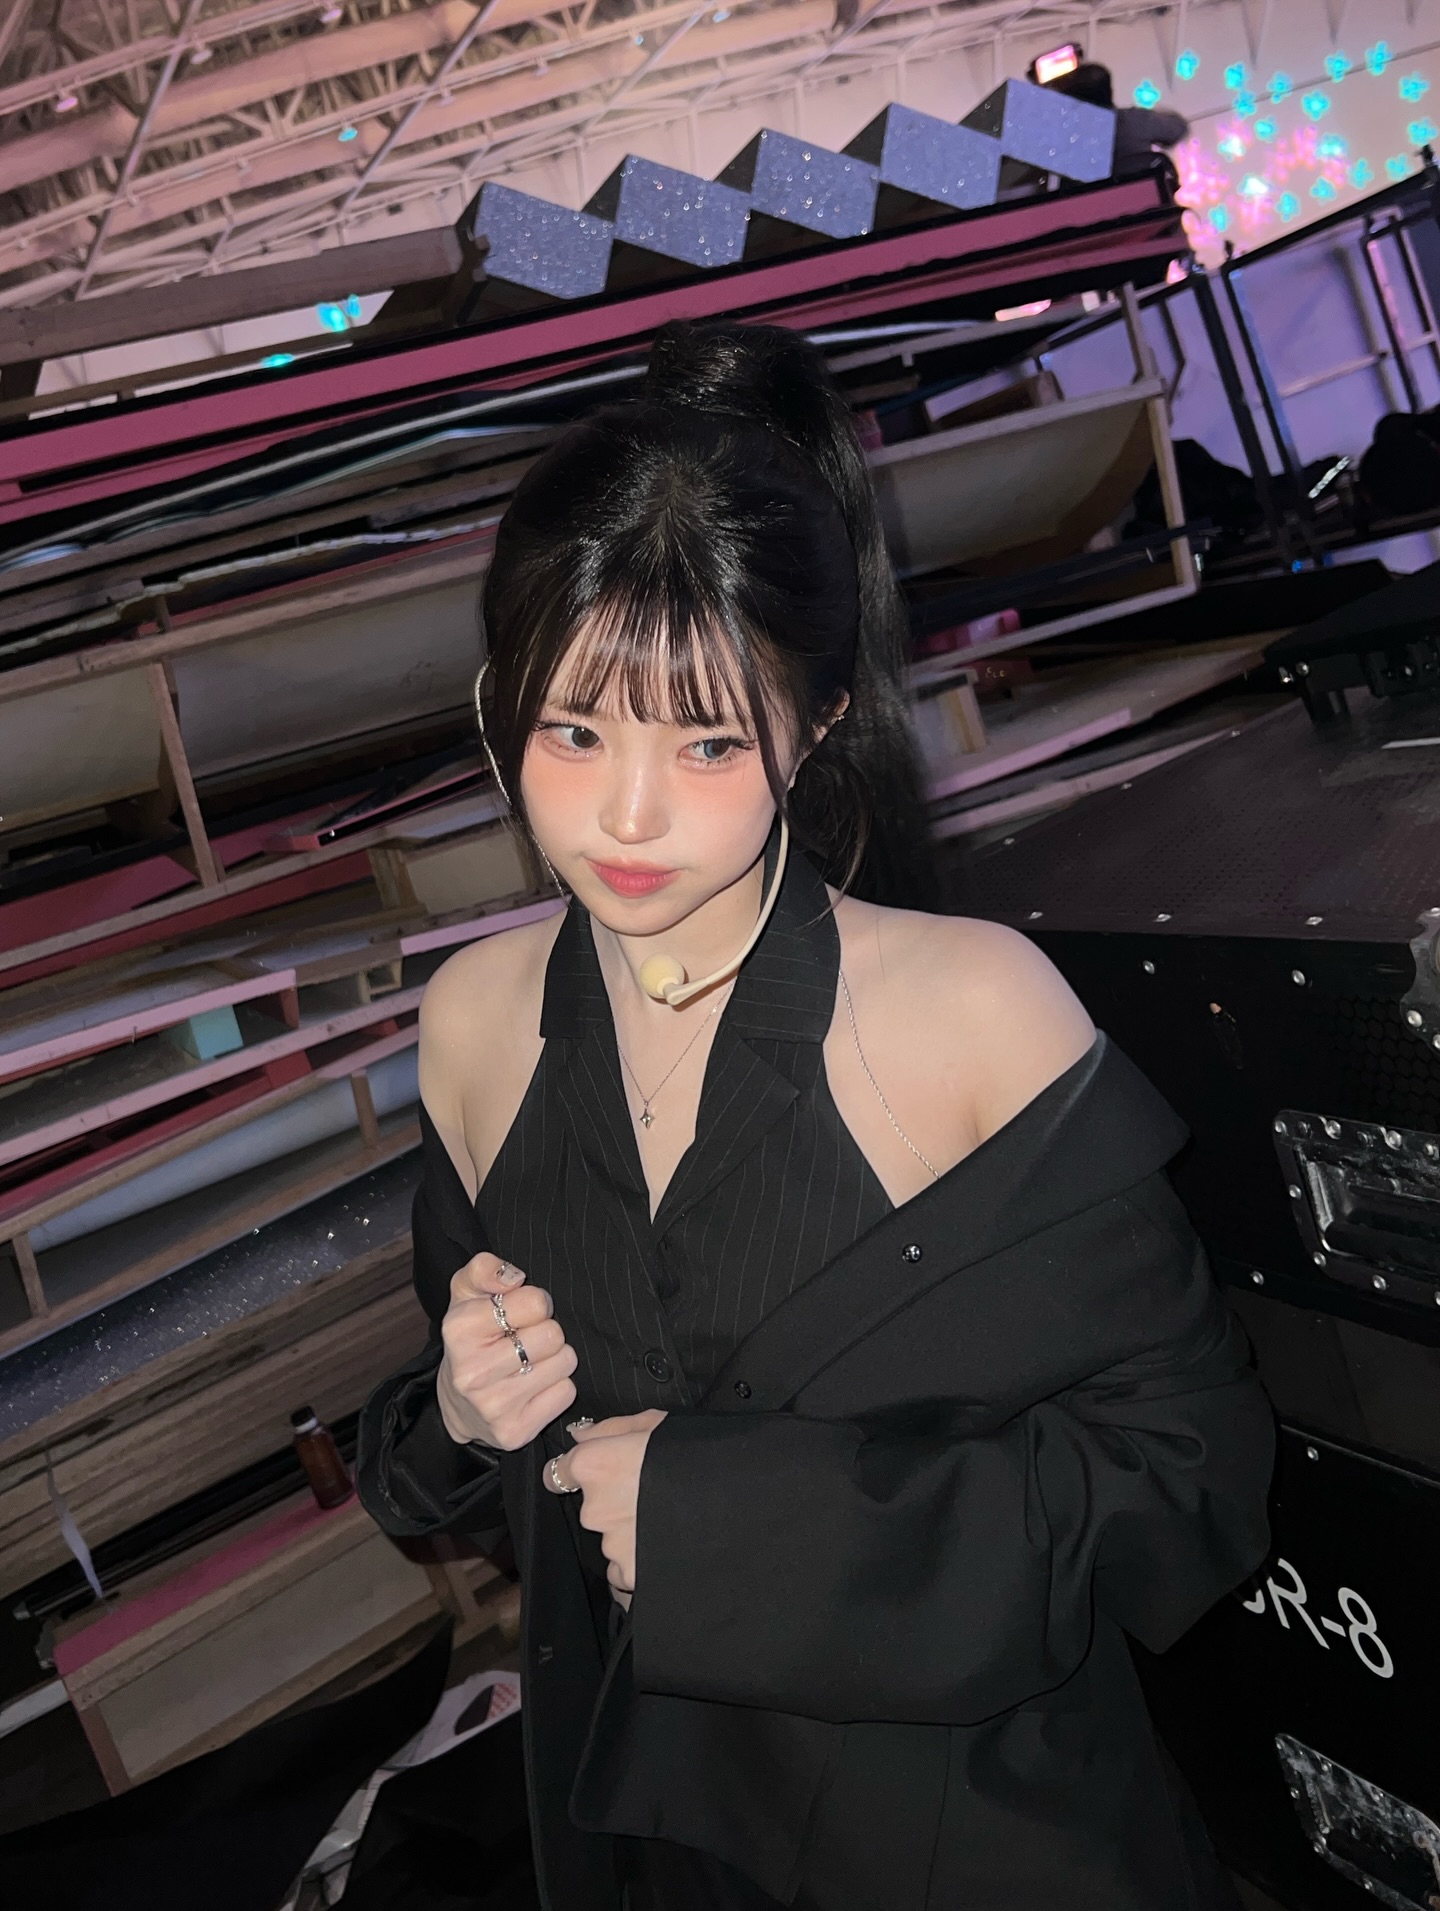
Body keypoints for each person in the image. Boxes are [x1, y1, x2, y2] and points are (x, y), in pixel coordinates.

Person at [357, 319, 1274, 1911]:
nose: (629, 812)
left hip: (972, 1848)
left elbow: (1191, 1478)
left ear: (819, 717)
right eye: (575, 729)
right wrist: (456, 1410)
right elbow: (447, 1456)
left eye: (708, 739)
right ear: (499, 699)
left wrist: (733, 1523)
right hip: (636, 1849)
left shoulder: (968, 1011)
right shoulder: (475, 1023)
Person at [1042, 60, 1190, 177]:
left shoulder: (1063, 140)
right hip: (1151, 203)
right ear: (1111, 91)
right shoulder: (1136, 120)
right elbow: (1179, 128)